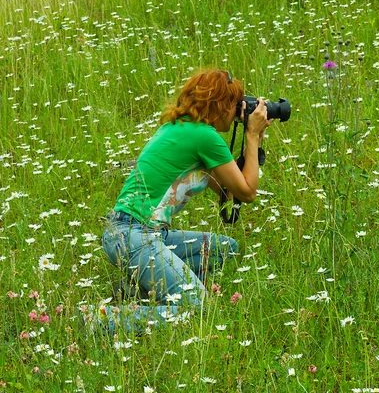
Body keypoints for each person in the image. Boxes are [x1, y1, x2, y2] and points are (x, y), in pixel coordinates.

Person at [84, 68, 273, 334]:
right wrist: (252, 137)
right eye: (233, 104)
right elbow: (247, 193)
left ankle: (139, 291)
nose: (237, 112)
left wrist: (251, 143)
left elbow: (227, 194)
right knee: (198, 310)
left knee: (225, 248)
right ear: (219, 105)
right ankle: (103, 318)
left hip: (128, 234)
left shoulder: (178, 128)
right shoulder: (205, 137)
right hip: (138, 237)